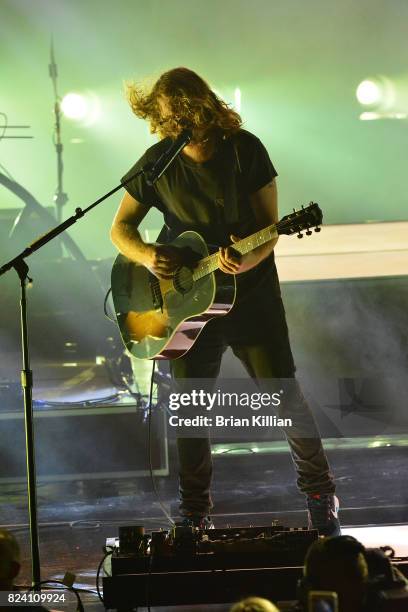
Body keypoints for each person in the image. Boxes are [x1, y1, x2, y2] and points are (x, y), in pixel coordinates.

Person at [111, 67, 340, 536]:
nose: (173, 126)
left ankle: (320, 496)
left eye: (180, 116)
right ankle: (193, 513)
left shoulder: (244, 150)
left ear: (201, 108)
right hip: (183, 304)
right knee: (190, 406)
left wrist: (246, 259)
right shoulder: (156, 162)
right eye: (166, 119)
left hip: (251, 299)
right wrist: (148, 255)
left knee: (283, 396)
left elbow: (269, 229)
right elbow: (120, 229)